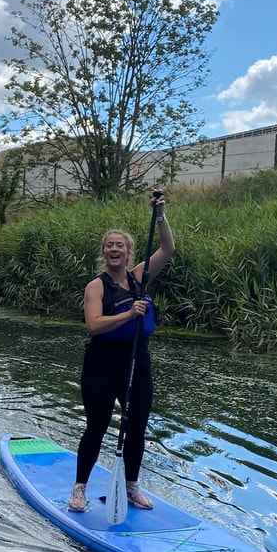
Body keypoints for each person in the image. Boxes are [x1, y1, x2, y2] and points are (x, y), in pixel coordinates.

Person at [69, 193, 175, 513]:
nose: (114, 249)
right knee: (97, 428)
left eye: (120, 246)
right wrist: (129, 314)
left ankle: (131, 486)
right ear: (104, 252)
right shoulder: (96, 286)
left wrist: (160, 215)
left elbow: (168, 249)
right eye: (109, 245)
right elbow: (94, 324)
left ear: (129, 253)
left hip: (136, 363)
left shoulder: (139, 276)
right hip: (102, 365)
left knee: (137, 428)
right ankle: (79, 489)